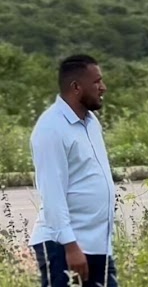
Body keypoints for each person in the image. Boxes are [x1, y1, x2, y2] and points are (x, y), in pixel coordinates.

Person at [29, 54, 117, 287]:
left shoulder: (91, 123)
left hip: (98, 246)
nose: (103, 87)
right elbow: (52, 193)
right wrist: (71, 247)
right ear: (76, 87)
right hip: (64, 248)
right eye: (97, 82)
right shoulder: (51, 128)